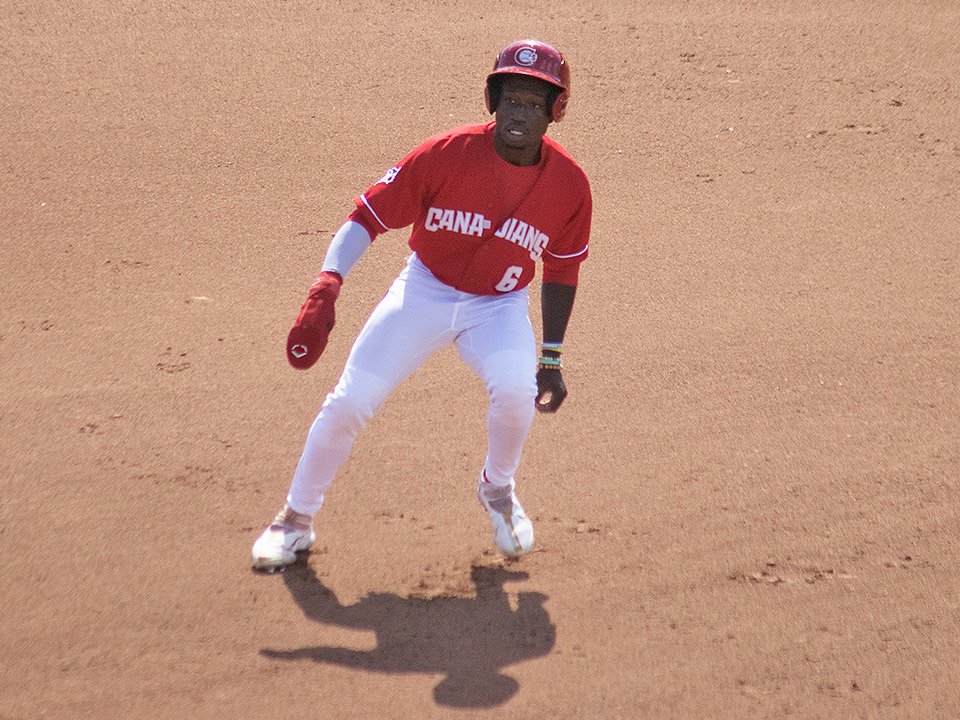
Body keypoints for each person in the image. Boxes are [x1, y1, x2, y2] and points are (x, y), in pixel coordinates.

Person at [252, 39, 592, 571]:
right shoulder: (446, 154)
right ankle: (294, 520)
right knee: (349, 400)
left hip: (498, 308)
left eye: (532, 102)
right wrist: (328, 283)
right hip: (424, 290)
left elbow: (563, 270)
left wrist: (551, 356)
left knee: (516, 392)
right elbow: (365, 217)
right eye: (509, 98)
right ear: (492, 101)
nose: (517, 112)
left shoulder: (570, 186)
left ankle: (497, 489)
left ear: (555, 111)